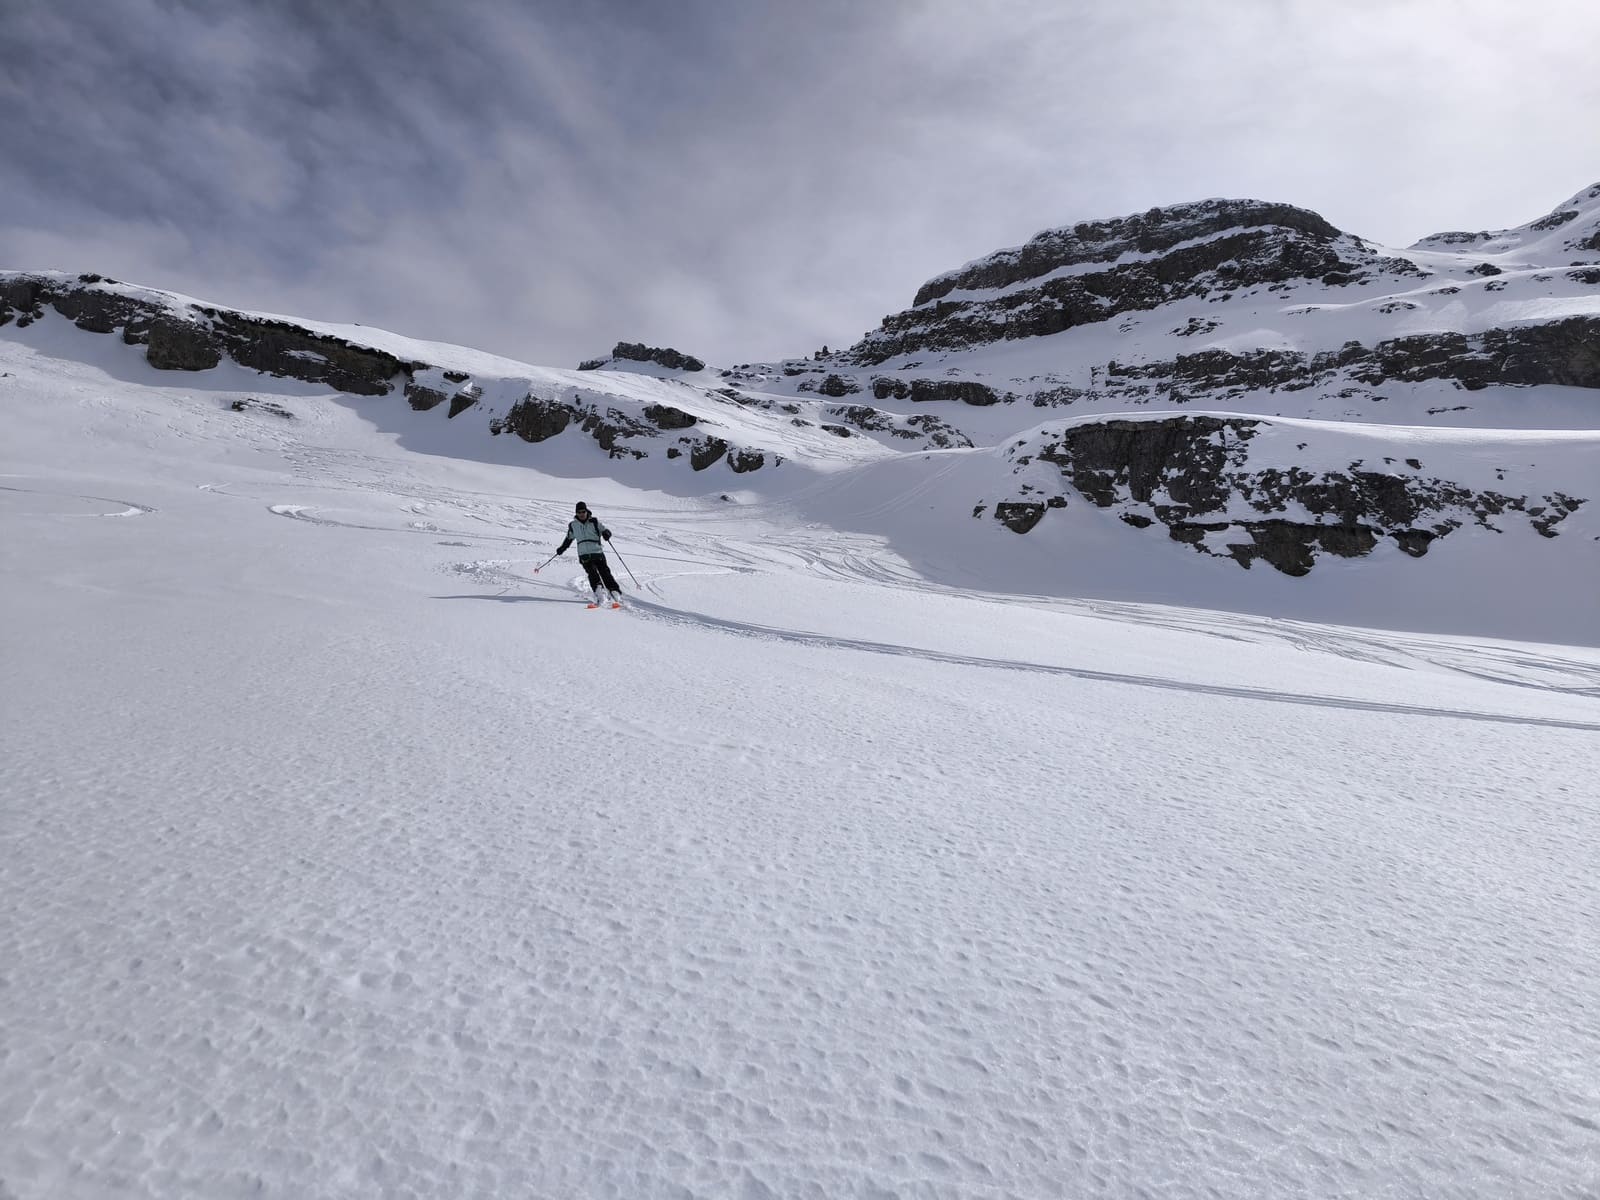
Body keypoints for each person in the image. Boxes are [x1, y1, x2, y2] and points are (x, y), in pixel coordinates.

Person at [555, 501, 622, 608]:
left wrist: (606, 534)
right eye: (579, 512)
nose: (581, 514)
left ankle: (614, 592)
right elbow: (569, 539)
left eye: (583, 511)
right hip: (584, 555)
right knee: (592, 573)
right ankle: (600, 594)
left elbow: (605, 530)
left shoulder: (594, 522)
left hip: (597, 552)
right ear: (576, 513)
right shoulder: (573, 525)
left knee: (605, 572)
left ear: (587, 511)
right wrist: (561, 549)